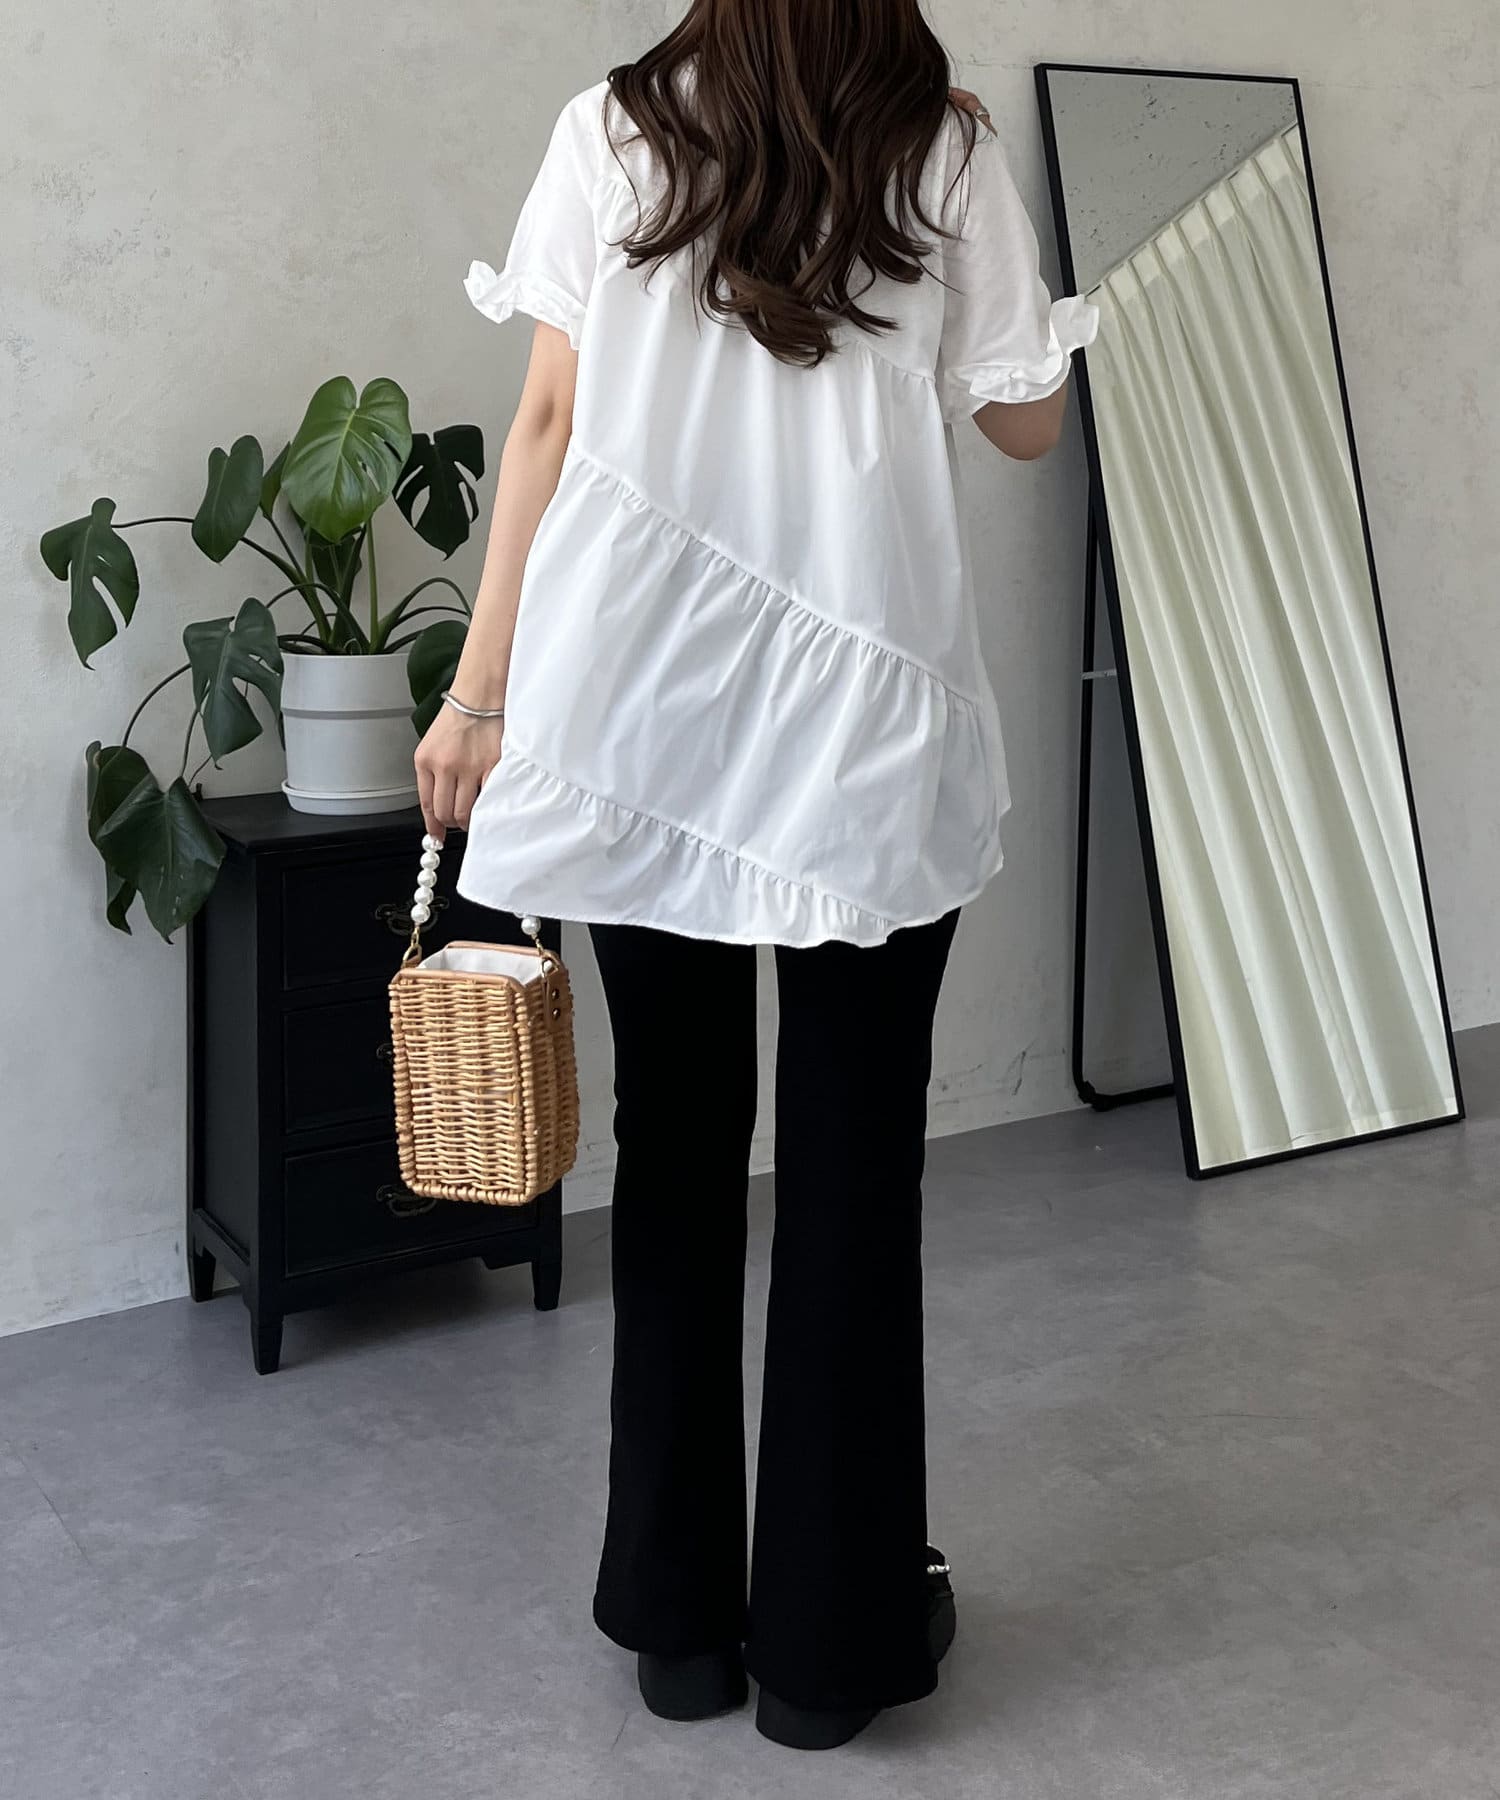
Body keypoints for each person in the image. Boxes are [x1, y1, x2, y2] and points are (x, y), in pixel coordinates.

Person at [414, 0, 1096, 1753]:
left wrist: (480, 694)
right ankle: (828, 1651)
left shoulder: (614, 127)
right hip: (864, 719)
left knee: (674, 1156)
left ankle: (676, 1625)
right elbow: (1025, 428)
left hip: (644, 720)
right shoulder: (939, 144)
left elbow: (545, 419)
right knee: (857, 1171)